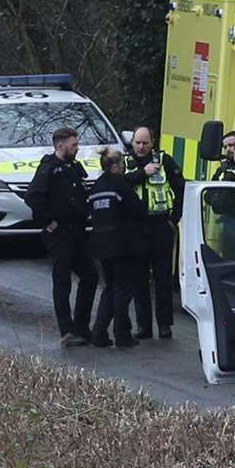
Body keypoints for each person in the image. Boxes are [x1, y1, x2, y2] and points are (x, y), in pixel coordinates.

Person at [25, 128, 96, 347]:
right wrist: (49, 222)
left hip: (78, 231)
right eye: (73, 145)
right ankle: (67, 330)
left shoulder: (73, 167)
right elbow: (33, 197)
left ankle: (82, 327)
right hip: (60, 233)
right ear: (60, 145)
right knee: (62, 281)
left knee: (90, 276)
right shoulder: (49, 168)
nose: (77, 148)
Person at [125, 127, 185, 340]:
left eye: (145, 143)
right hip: (135, 228)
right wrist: (143, 173)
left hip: (161, 226)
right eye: (137, 143)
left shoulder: (164, 161)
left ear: (152, 144)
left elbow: (180, 188)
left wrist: (173, 219)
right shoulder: (124, 163)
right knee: (139, 280)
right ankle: (143, 326)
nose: (140, 147)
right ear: (132, 143)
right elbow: (119, 185)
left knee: (163, 279)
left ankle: (165, 325)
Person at [86, 148, 147, 348]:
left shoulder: (97, 187)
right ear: (114, 166)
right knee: (122, 290)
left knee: (110, 288)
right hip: (122, 244)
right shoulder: (120, 185)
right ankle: (122, 334)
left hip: (101, 244)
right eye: (122, 165)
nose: (123, 168)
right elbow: (138, 210)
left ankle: (99, 333)